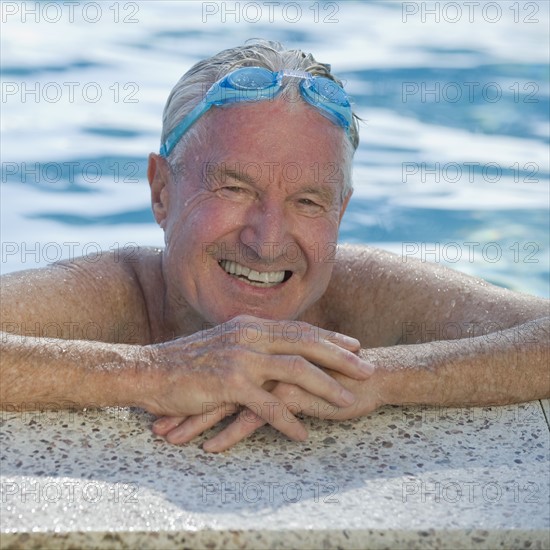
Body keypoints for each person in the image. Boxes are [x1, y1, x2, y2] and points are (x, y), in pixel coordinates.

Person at [1, 40, 548, 453]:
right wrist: (154, 372)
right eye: (235, 189)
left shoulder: (365, 293)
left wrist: (379, 378)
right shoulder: (116, 294)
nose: (267, 241)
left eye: (309, 202)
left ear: (342, 213)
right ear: (162, 192)